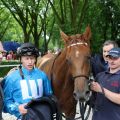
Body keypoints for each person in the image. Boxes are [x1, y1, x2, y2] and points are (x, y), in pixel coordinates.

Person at [3, 43, 53, 120]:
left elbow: (49, 96)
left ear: (36, 59)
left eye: (32, 58)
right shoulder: (11, 78)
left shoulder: (42, 75)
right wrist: (17, 108)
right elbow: (6, 103)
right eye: (26, 58)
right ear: (20, 59)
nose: (30, 62)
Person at [90, 47, 120, 120]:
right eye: (110, 58)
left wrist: (101, 89)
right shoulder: (99, 76)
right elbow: (93, 99)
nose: (112, 61)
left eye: (115, 58)